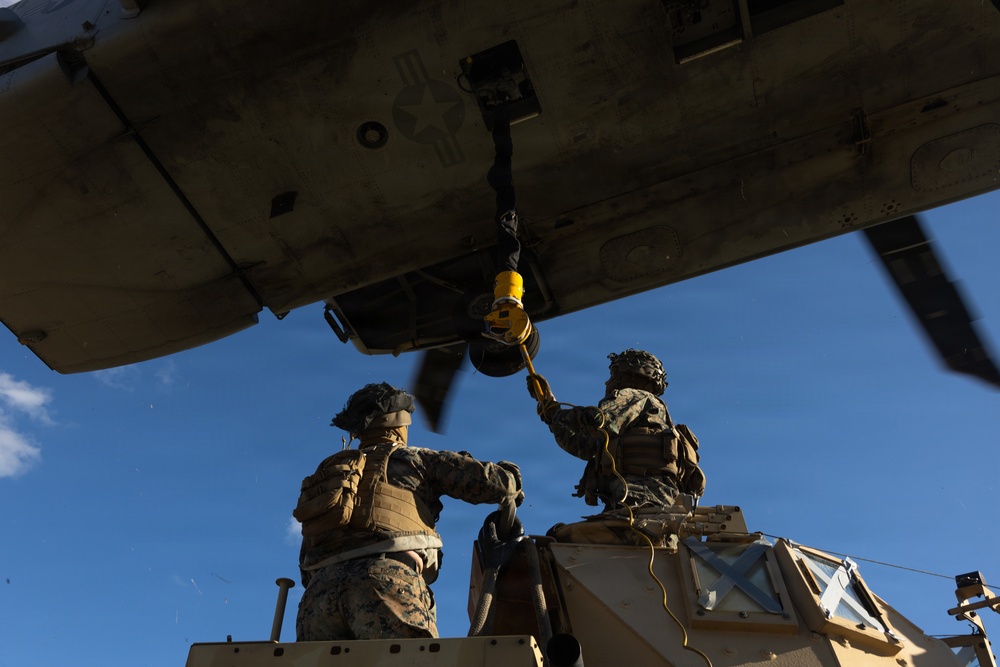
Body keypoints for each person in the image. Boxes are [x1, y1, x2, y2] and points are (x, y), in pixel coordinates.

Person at [294, 382, 523, 641]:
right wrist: (511, 475)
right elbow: (496, 485)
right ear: (399, 425)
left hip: (317, 596)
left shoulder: (330, 478)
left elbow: (305, 561)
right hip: (387, 582)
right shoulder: (412, 459)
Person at [528, 349, 705, 516]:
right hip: (642, 500)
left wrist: (556, 413)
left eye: (613, 375)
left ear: (628, 374)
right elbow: (582, 446)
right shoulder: (649, 419)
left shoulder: (635, 396)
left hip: (639, 497)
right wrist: (550, 410)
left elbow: (599, 420)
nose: (607, 382)